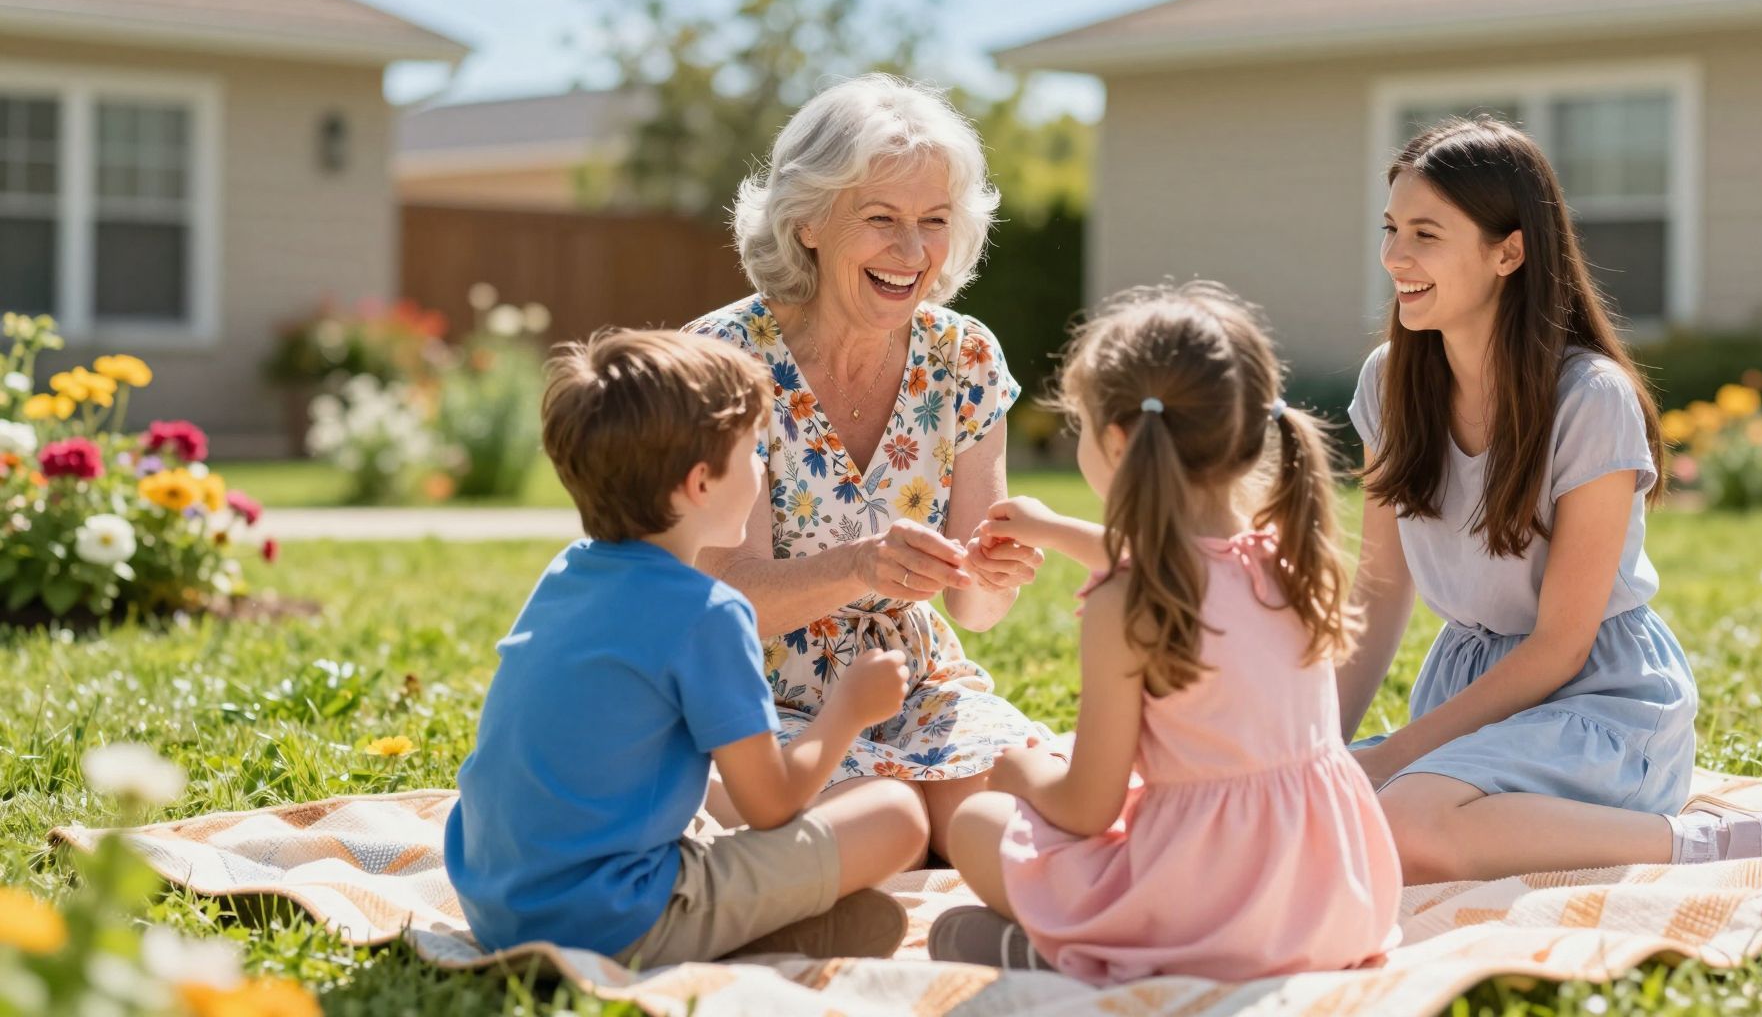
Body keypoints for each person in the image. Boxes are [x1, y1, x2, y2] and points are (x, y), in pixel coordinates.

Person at [1342, 117, 1762, 885]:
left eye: (1426, 234)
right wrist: (1316, 759)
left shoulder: (1589, 398)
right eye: (1391, 228)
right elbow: (1377, 591)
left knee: (1405, 824)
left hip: (1604, 701)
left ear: (1509, 251)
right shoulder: (1389, 381)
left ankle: (1705, 844)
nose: (1394, 257)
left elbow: (1560, 646)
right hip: (1472, 695)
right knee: (1344, 819)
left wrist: (1392, 756)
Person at [931, 282, 1404, 982]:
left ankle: (1086, 956)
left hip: (1206, 913)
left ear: (1117, 442)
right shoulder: (1283, 555)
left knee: (976, 824)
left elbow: (1088, 810)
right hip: (1332, 903)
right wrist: (1052, 530)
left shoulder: (1126, 604)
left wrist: (1023, 774)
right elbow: (1173, 566)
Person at [445, 329, 928, 967]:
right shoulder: (708, 612)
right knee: (897, 814)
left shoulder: (568, 571)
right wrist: (849, 706)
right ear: (700, 484)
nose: (766, 467)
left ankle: (764, 927)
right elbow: (772, 805)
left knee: (711, 798)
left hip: (495, 897)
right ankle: (727, 937)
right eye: (756, 451)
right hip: (608, 921)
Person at [688, 73, 1049, 862]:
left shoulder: (966, 356)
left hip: (914, 684)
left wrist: (994, 573)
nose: (912, 252)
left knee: (1023, 812)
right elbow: (724, 604)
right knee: (888, 824)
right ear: (809, 222)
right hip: (759, 702)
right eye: (881, 219)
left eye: (934, 222)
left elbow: (979, 612)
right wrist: (862, 566)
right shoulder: (725, 360)